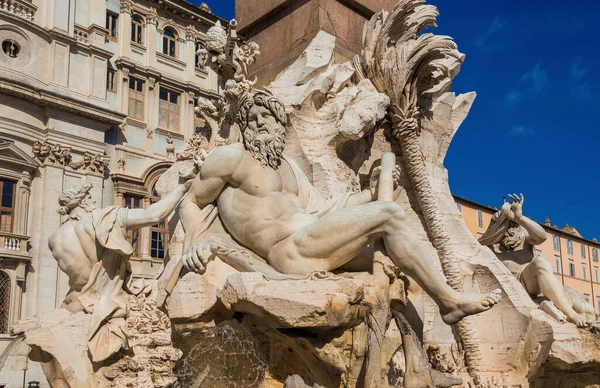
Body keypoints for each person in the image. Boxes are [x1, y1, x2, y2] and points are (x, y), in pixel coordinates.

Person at [178, 90, 501, 326]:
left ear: (281, 125)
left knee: (400, 267)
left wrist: (372, 190)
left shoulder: (289, 167)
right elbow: (191, 200)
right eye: (253, 119)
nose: (261, 124)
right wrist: (196, 244)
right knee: (388, 215)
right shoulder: (232, 157)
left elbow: (326, 210)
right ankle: (449, 300)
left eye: (269, 118)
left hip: (309, 238)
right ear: (243, 125)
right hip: (286, 252)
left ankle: (416, 368)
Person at [48, 180, 190, 361]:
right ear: (82, 202)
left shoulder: (54, 238)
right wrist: (183, 187)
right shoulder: (101, 218)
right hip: (108, 301)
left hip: (75, 302)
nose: (93, 202)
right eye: (90, 198)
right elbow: (154, 214)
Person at [479, 194, 591, 328]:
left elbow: (542, 237)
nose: (513, 230)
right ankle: (572, 315)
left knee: (586, 308)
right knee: (540, 262)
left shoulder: (524, 239)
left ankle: (575, 315)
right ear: (499, 228)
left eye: (515, 226)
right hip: (517, 288)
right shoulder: (490, 249)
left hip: (536, 282)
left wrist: (520, 218)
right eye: (509, 225)